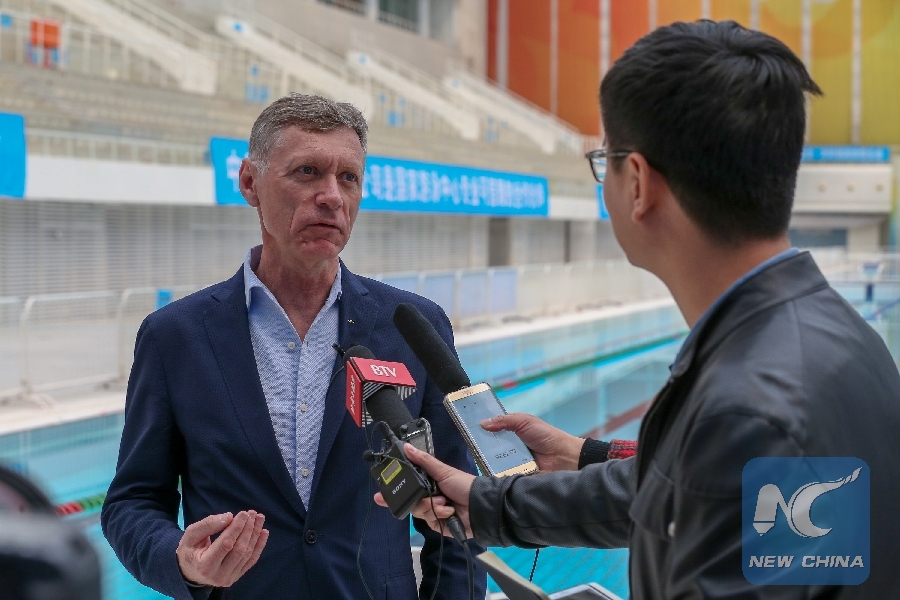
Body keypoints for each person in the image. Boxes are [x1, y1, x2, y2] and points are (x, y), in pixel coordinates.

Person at [378, 20, 900, 598]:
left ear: (639, 185)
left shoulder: (751, 409)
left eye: (606, 160)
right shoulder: (835, 339)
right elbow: (694, 492)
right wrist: (556, 469)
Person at [101, 94, 486, 600]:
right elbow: (131, 501)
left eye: (348, 178)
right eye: (307, 172)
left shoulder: (412, 326)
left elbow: (458, 507)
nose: (331, 197)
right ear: (250, 183)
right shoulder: (175, 336)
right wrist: (180, 560)